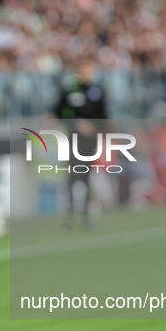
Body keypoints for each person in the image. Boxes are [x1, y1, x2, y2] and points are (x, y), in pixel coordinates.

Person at [55, 59, 107, 228]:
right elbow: (60, 112)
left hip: (89, 141)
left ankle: (86, 214)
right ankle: (70, 215)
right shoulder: (71, 90)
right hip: (72, 139)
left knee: (86, 176)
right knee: (71, 176)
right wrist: (76, 123)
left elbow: (104, 116)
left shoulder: (98, 91)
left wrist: (93, 126)